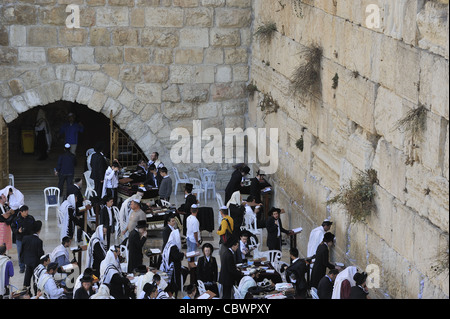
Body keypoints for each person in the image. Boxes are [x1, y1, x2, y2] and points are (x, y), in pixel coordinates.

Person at [160, 229, 185, 298]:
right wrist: (182, 254)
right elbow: (176, 257)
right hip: (173, 268)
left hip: (167, 266)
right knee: (174, 282)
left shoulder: (169, 244)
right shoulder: (173, 247)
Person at [21, 220, 44, 290]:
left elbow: (22, 250)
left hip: (27, 260)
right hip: (35, 262)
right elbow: (40, 253)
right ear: (39, 230)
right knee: (35, 278)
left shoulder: (25, 238)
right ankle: (36, 291)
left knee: (27, 275)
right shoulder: (39, 241)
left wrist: (23, 259)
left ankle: (26, 290)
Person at [11, 205, 35, 273]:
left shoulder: (31, 218)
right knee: (20, 254)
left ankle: (29, 267)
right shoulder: (16, 219)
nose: (26, 212)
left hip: (29, 239)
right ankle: (22, 267)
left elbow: (34, 227)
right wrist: (18, 231)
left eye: (27, 211)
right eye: (25, 211)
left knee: (30, 253)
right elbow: (13, 228)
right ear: (21, 212)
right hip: (20, 239)